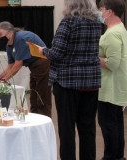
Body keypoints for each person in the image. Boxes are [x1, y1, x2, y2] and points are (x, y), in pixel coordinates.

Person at [39, 0, 102, 159]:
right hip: (91, 82)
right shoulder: (96, 23)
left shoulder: (68, 22)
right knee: (88, 129)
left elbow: (56, 54)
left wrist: (43, 50)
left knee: (67, 129)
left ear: (71, 5)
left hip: (68, 82)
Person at [0, 21, 52, 118]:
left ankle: (45, 119)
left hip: (42, 62)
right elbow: (10, 66)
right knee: (33, 95)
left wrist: (4, 80)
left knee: (42, 95)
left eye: (1, 34)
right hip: (33, 66)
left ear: (9, 32)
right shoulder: (9, 46)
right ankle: (35, 118)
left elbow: (18, 64)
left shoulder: (20, 39)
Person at [97, 0, 127, 160]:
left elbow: (112, 63)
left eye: (101, 10)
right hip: (115, 87)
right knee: (116, 124)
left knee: (109, 126)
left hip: (109, 89)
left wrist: (94, 58)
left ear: (109, 12)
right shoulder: (120, 29)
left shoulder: (112, 34)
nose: (100, 13)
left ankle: (110, 157)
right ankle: (118, 156)